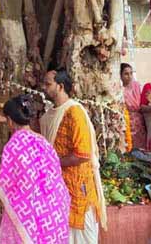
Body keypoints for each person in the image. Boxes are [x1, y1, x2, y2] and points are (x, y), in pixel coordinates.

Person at [40, 68, 106, 244]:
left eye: (48, 84)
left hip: (78, 188)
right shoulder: (47, 116)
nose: (43, 88)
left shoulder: (74, 113)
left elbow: (83, 154)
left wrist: (52, 163)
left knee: (82, 236)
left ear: (60, 86)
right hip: (57, 187)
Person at [0, 94, 71, 243]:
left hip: (27, 214)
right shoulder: (43, 141)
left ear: (9, 121)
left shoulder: (13, 145)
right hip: (54, 210)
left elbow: (7, 186)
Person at [122, 63, 151, 151]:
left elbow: (141, 103)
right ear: (120, 76)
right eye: (126, 74)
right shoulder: (119, 90)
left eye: (131, 73)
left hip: (140, 121)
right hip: (127, 121)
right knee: (130, 148)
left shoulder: (136, 85)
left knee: (142, 149)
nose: (129, 76)